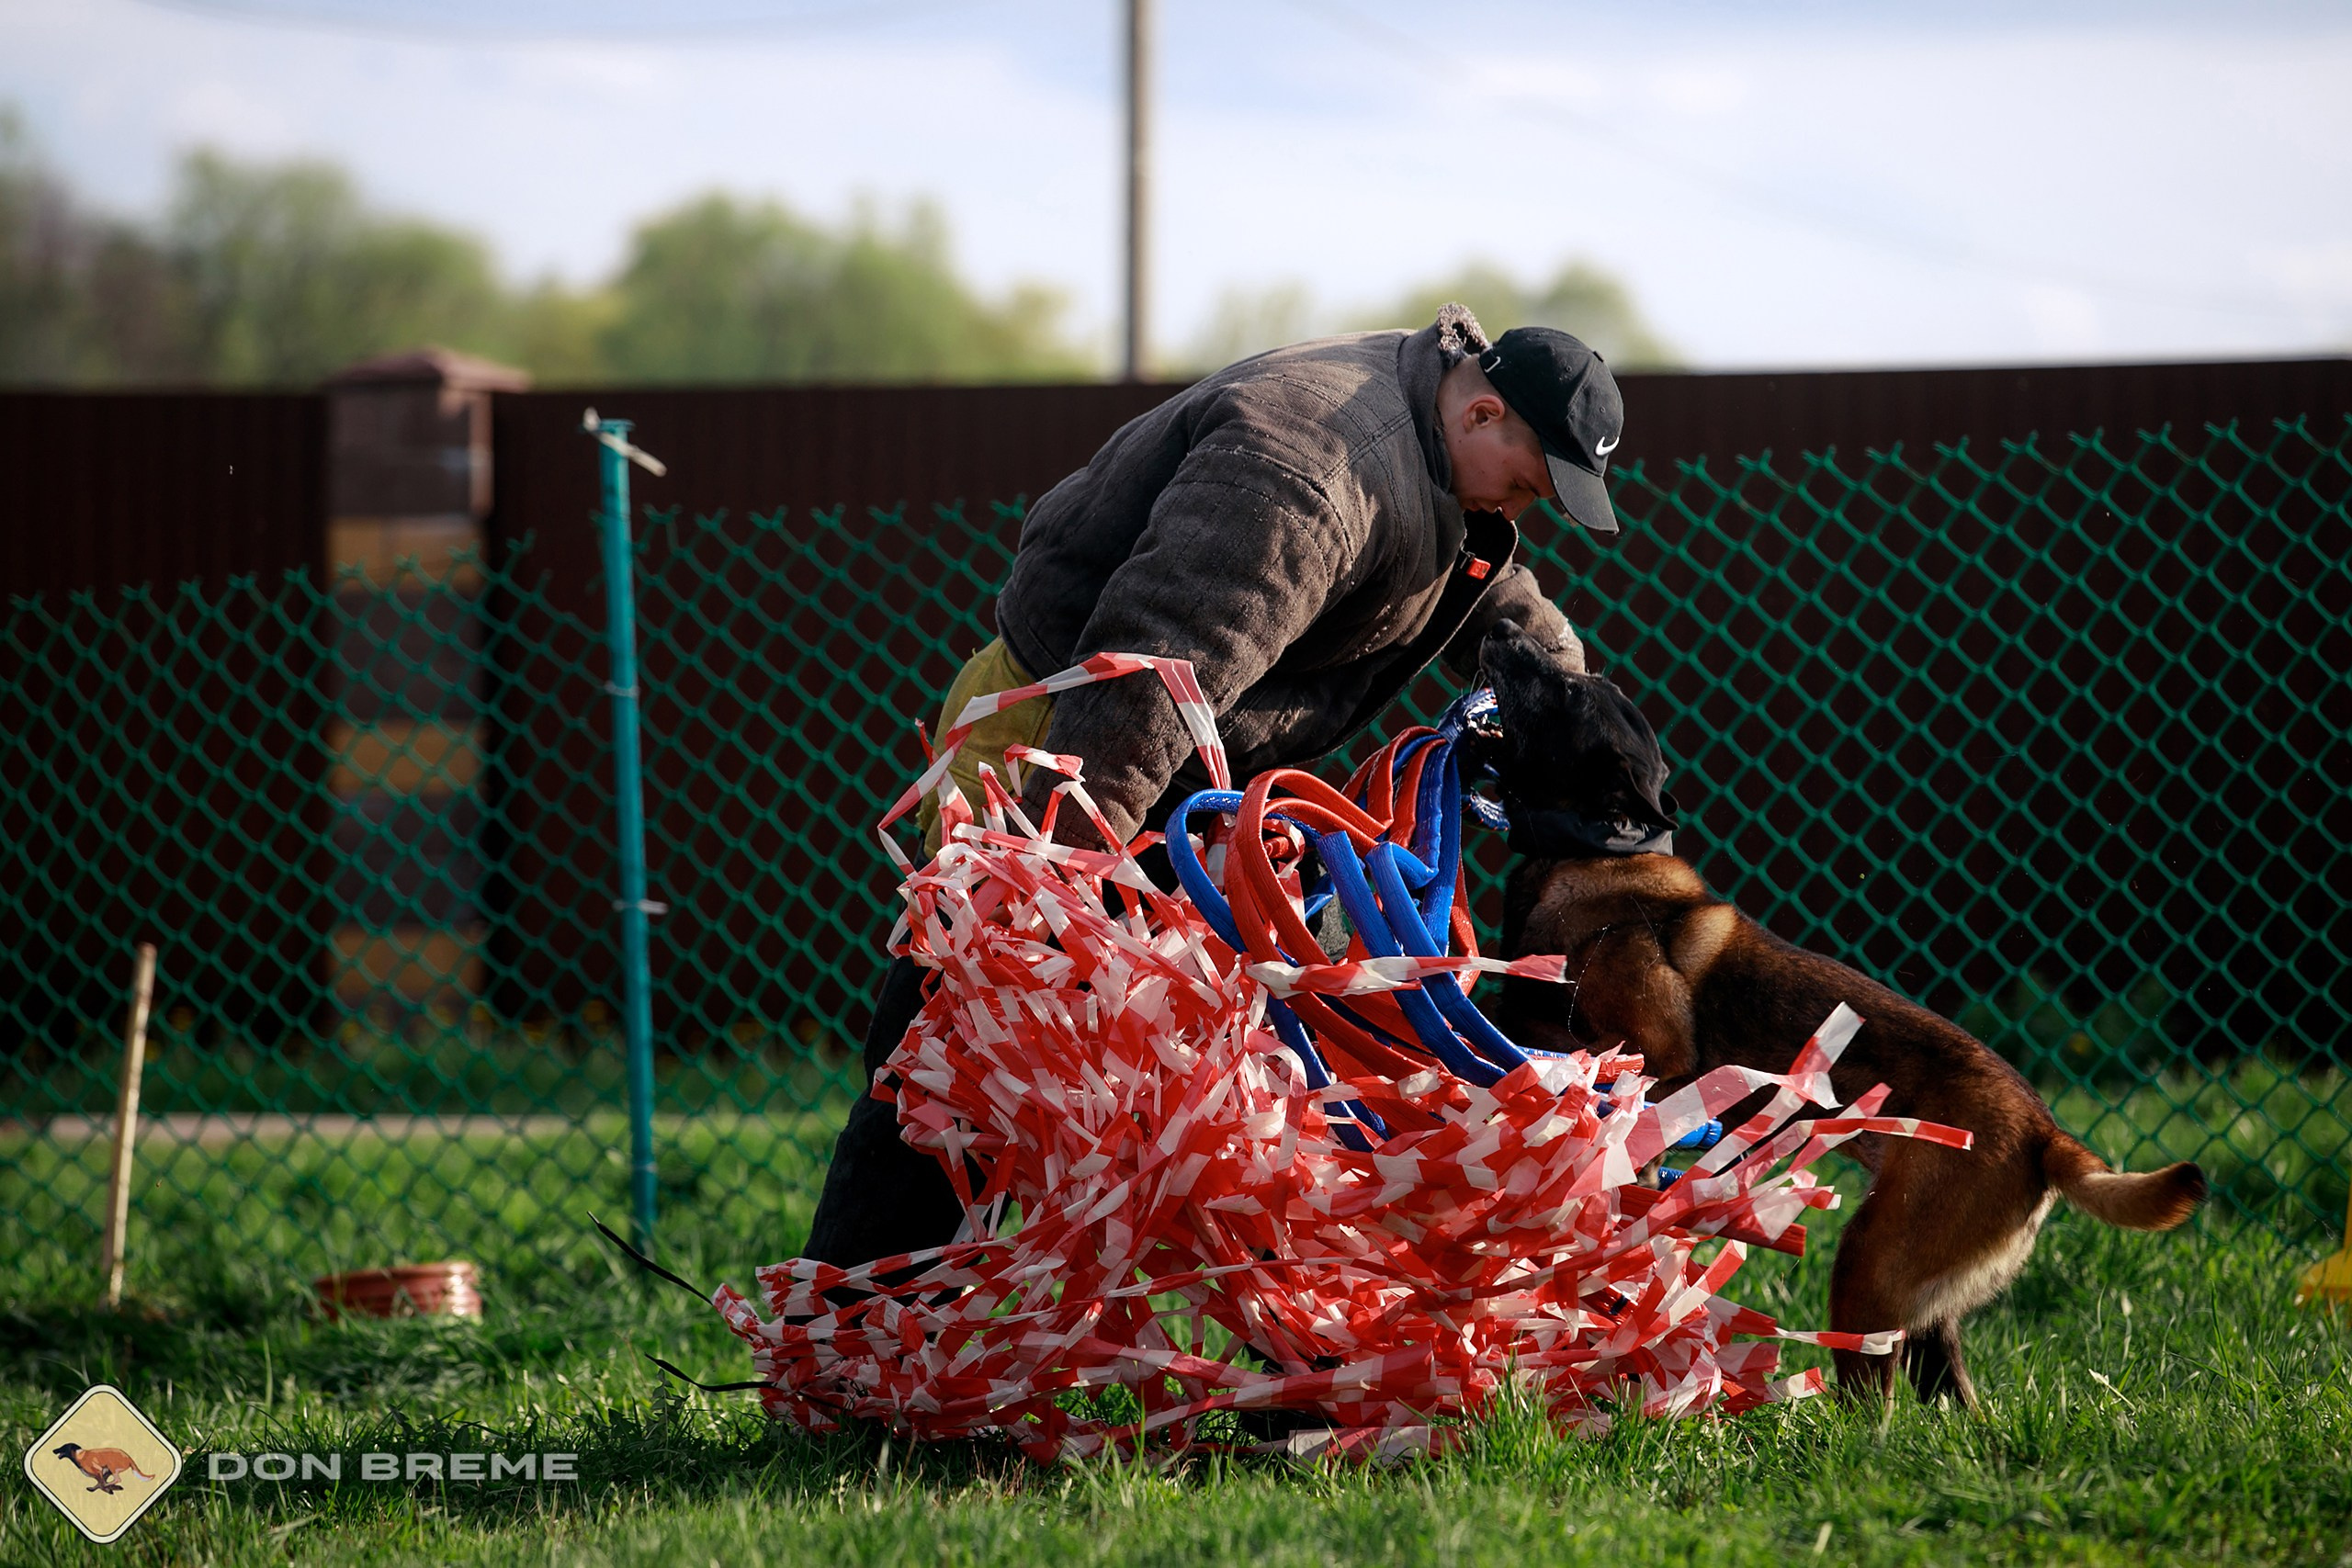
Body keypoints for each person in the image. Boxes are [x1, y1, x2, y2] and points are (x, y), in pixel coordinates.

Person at [803, 304, 1627, 1268]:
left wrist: (1563, 695)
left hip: (1185, 772)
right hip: (1066, 751)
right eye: (1526, 484)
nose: (1519, 510)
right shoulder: (1306, 479)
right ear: (1482, 413)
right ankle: (858, 1338)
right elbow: (1150, 670)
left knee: (1272, 1066)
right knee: (960, 1057)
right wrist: (1050, 879)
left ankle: (1295, 1345)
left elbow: (1468, 563)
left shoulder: (1435, 417)